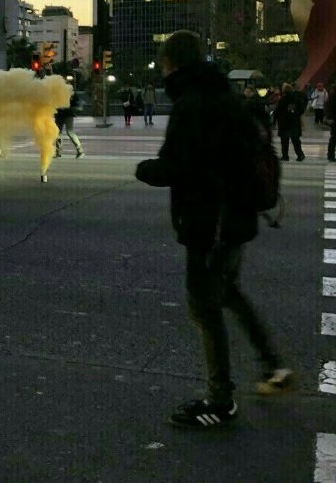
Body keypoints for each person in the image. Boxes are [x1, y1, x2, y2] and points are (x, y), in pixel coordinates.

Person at [135, 31, 292, 430]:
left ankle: (220, 400)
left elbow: (176, 167)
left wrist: (144, 169)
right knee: (229, 293)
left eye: (164, 64)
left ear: (171, 64)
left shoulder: (192, 105)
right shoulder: (225, 96)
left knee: (204, 304)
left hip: (210, 224)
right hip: (236, 219)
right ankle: (273, 366)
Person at [273, 81, 306, 162]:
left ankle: (285, 156)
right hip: (294, 122)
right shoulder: (296, 98)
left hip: (284, 123)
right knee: (295, 140)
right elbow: (301, 109)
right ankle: (300, 154)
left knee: (284, 141)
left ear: (284, 90)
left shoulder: (283, 99)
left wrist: (274, 119)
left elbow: (278, 111)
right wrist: (296, 114)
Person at [53, 92, 84, 159]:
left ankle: (80, 151)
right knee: (59, 133)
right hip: (61, 114)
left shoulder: (69, 91)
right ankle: (58, 152)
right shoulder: (59, 90)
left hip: (67, 113)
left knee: (69, 132)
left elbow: (75, 102)